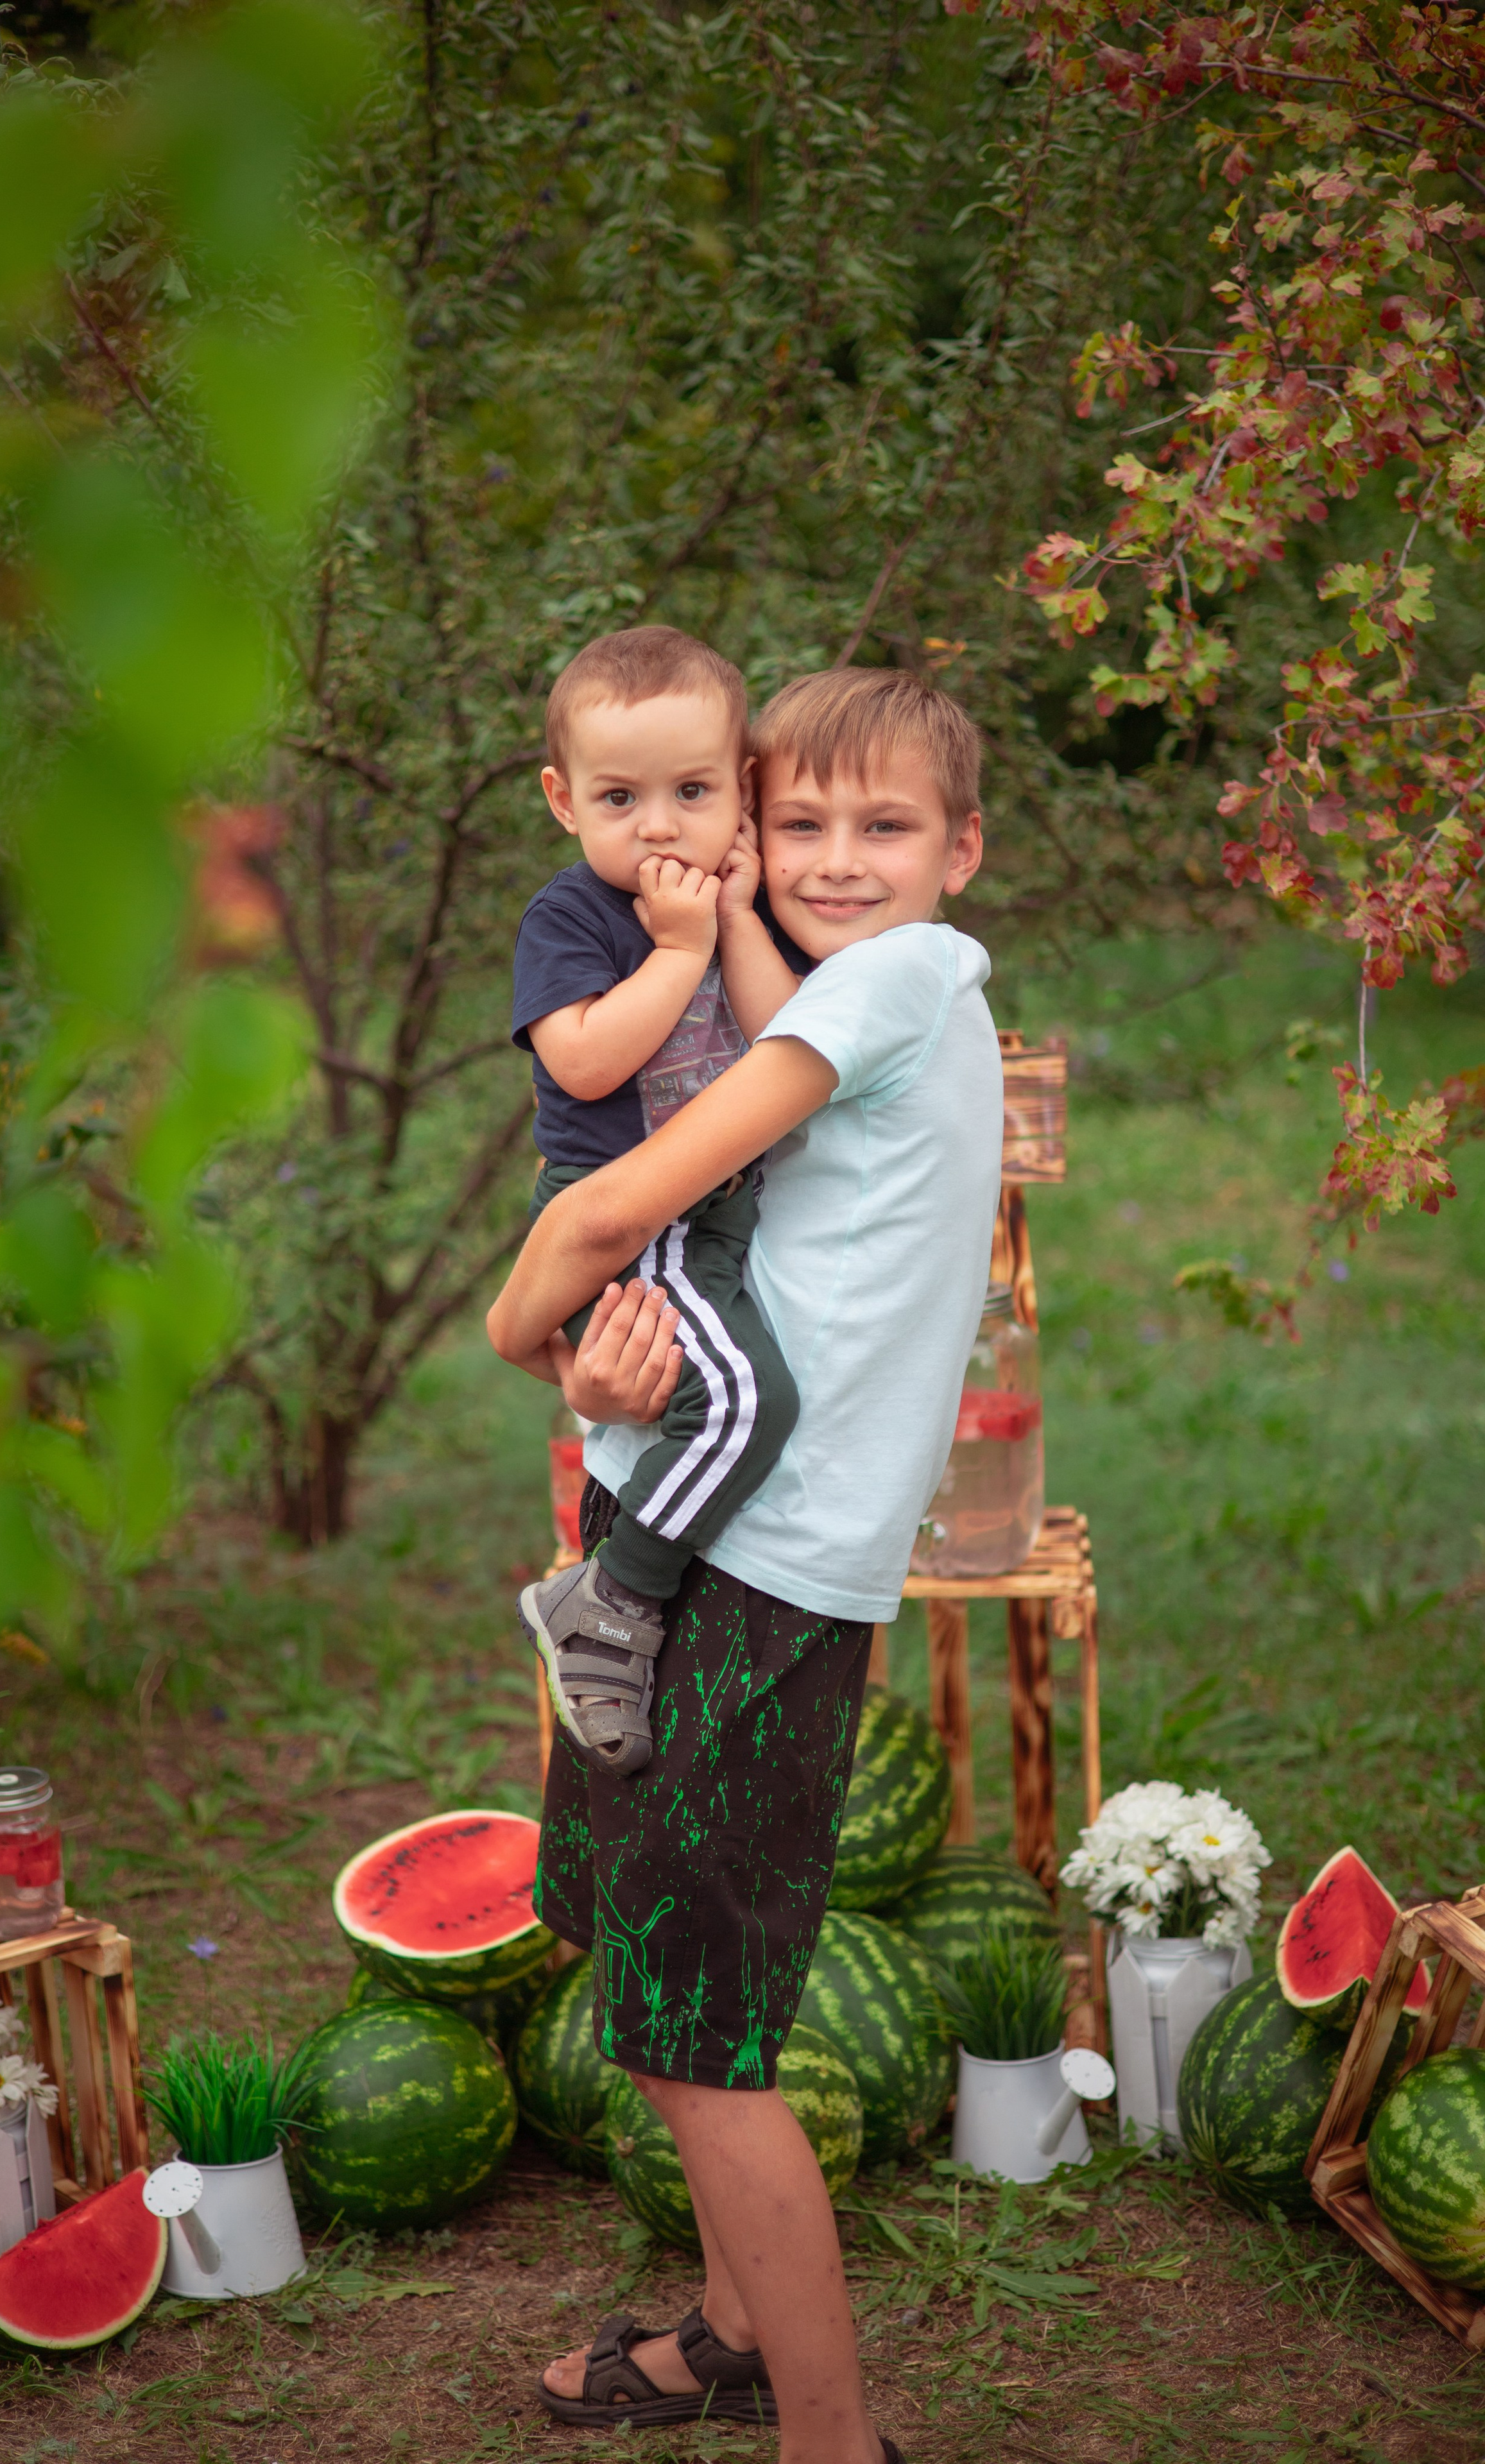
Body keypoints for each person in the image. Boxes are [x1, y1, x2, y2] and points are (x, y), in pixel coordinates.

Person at [488, 663, 1004, 2464]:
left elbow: (615, 1207)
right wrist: (589, 1367)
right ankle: (726, 2331)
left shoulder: (912, 977)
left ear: (964, 852)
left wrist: (515, 1324)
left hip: (773, 1571)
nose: (839, 860)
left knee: (706, 2038)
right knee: (650, 1987)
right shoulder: (756, 979)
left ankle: (835, 2439)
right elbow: (700, 1252)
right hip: (670, 1510)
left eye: (887, 829)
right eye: (805, 825)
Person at [511, 626, 800, 1777]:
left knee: (725, 1397)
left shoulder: (752, 905)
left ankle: (622, 1593)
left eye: (693, 791)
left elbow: (791, 1041)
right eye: (620, 797)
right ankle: (611, 1602)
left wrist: (729, 926)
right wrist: (677, 955)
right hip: (632, 1215)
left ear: (742, 789)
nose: (661, 825)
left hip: (715, 1218)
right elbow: (581, 1063)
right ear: (563, 801)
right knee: (742, 1403)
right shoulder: (573, 918)